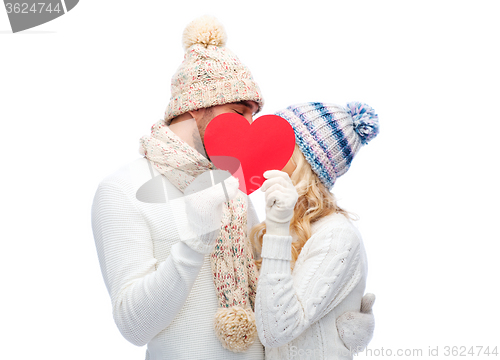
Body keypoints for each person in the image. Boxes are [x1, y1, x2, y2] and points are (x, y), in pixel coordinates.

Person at [91, 16, 374, 360]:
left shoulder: (234, 189)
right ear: (196, 108)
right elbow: (134, 327)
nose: (250, 129)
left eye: (254, 115)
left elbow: (274, 296)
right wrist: (195, 240)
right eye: (241, 112)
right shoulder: (122, 190)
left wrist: (339, 328)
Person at [252, 102, 379, 360]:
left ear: (305, 162)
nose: (267, 150)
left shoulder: (337, 236)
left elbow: (277, 331)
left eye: (280, 144)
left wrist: (277, 228)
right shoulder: (282, 224)